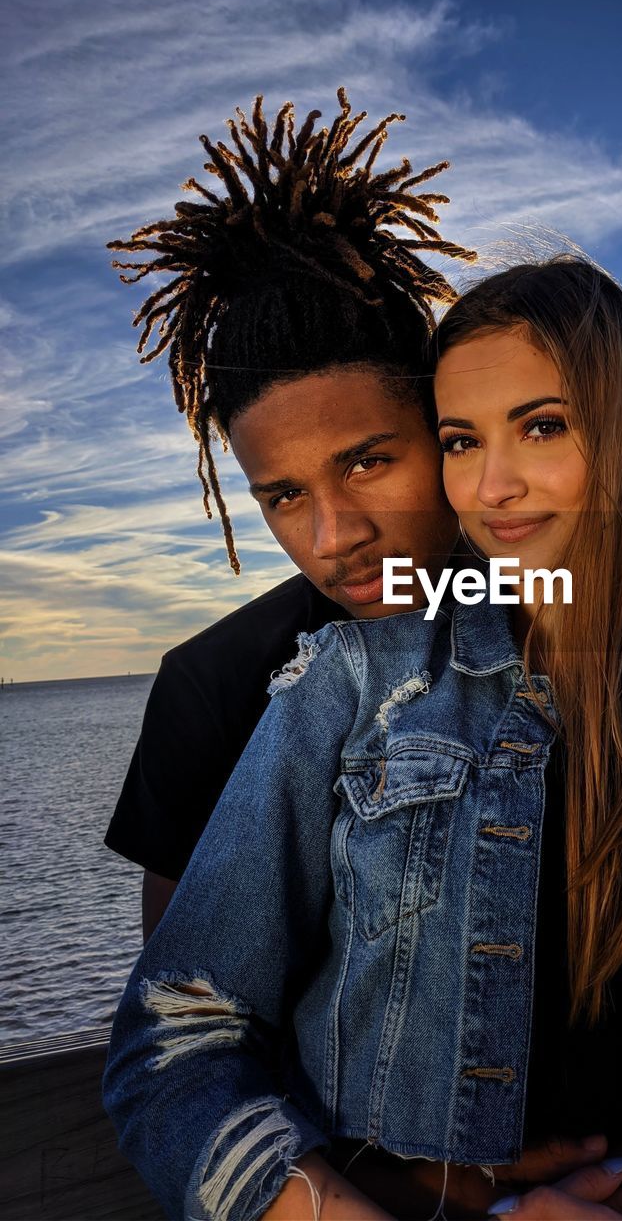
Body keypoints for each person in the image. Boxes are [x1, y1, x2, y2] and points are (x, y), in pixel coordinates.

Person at [103, 256, 622, 1221]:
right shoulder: (330, 683)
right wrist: (423, 1195)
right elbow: (186, 1035)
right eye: (466, 440)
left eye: (542, 426)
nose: (333, 534)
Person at [102, 89, 472, 935]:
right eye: (287, 496)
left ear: (442, 431)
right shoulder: (215, 689)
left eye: (369, 462)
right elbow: (183, 1017)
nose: (335, 536)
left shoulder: (571, 617)